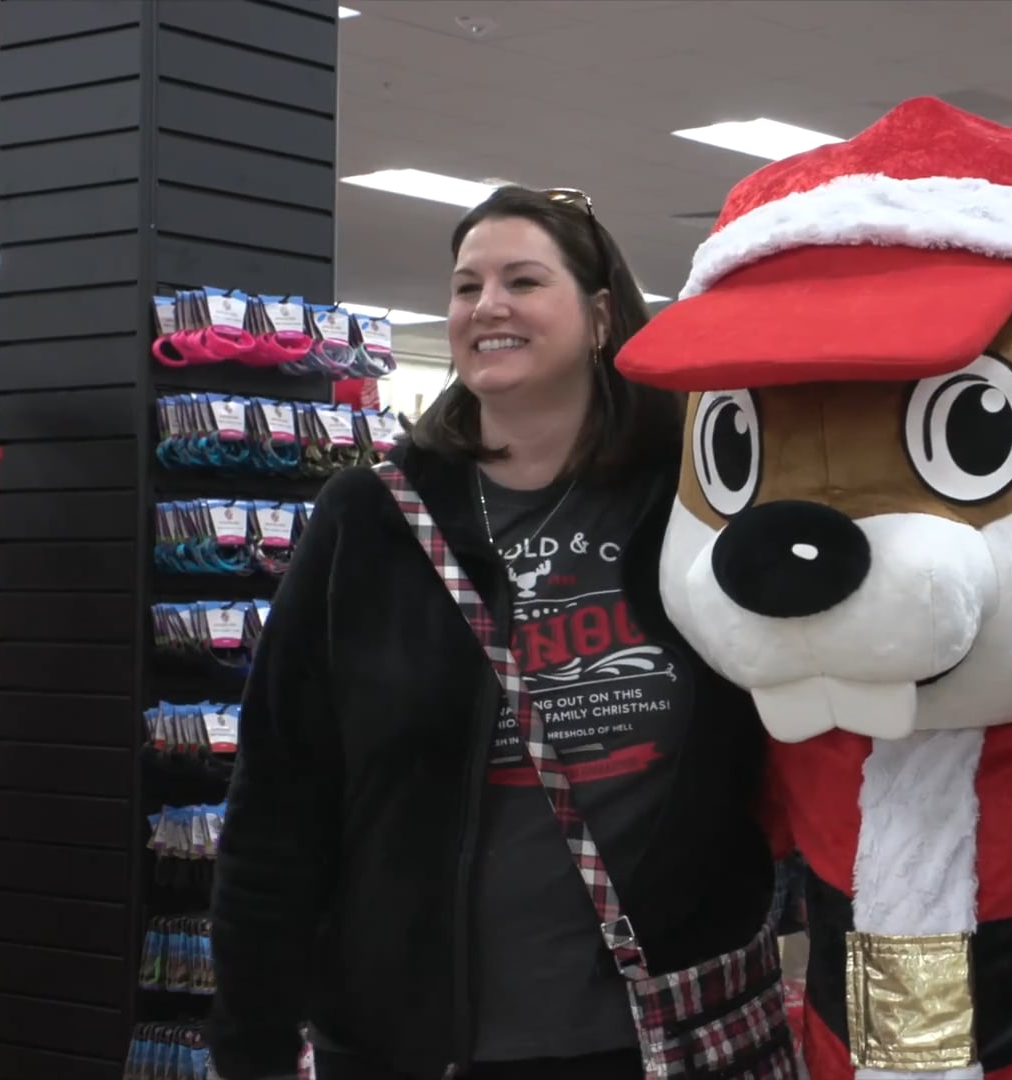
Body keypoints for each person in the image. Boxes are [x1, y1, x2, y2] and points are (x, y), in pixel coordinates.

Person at [206, 186, 784, 1080]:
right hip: (418, 1040)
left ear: (599, 317)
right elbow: (280, 800)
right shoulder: (369, 520)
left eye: (522, 280)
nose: (489, 307)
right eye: (467, 286)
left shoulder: (694, 499)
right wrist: (252, 1046)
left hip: (668, 1024)